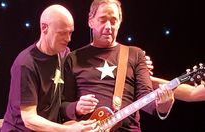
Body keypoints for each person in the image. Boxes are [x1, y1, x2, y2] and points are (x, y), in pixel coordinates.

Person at [61, 0, 175, 131]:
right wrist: (76, 107)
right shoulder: (73, 58)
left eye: (113, 20)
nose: (108, 26)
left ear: (120, 22)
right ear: (90, 21)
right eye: (102, 20)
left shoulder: (135, 54)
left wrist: (163, 105)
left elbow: (146, 98)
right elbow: (62, 105)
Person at [1, 4, 98, 132]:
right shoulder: (25, 63)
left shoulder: (63, 54)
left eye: (70, 32)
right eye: (62, 33)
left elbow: (55, 105)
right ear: (44, 27)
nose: (68, 38)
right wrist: (69, 130)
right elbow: (29, 119)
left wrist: (77, 107)